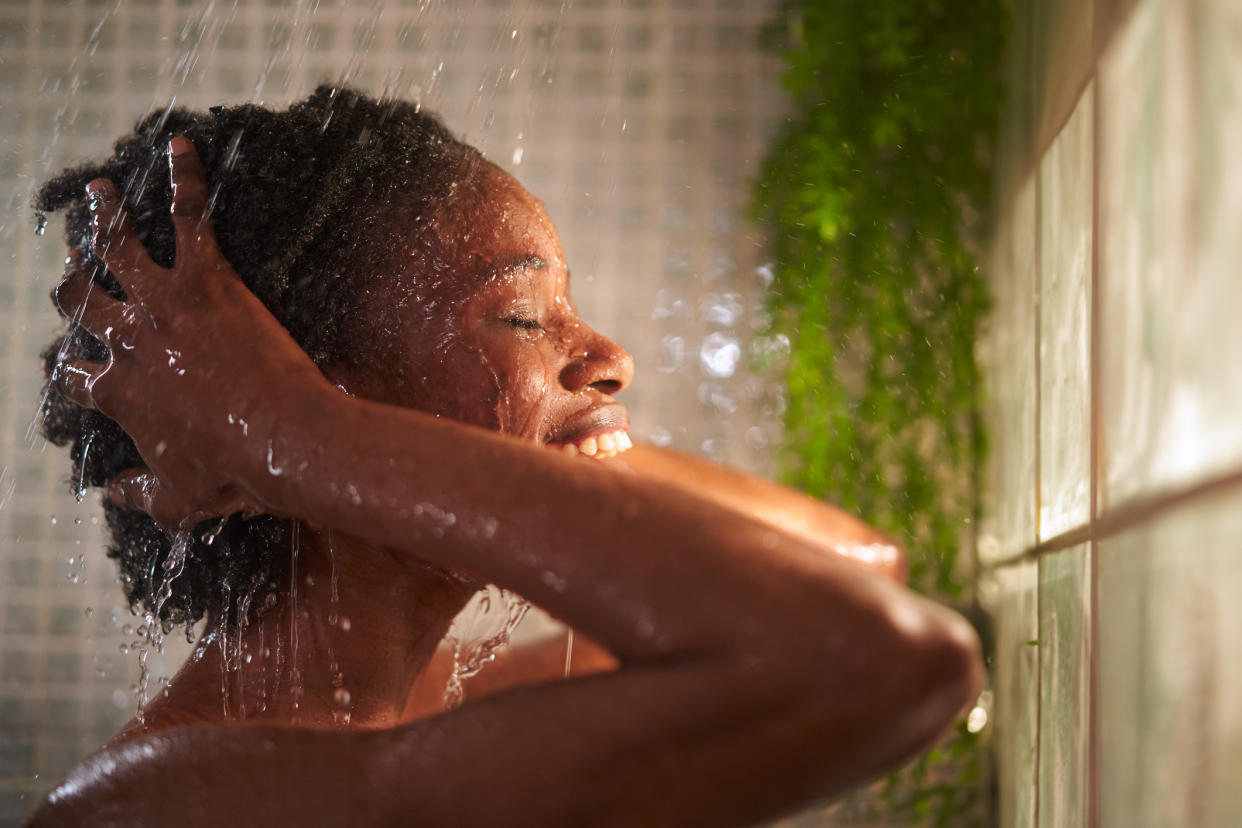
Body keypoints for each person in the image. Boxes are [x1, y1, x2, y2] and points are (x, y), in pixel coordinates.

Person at [27, 87, 981, 827]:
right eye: (525, 316)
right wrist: (298, 434)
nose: (612, 359)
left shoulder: (424, 705)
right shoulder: (152, 809)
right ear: (320, 397)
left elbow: (860, 576)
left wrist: (305, 436)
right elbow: (867, 658)